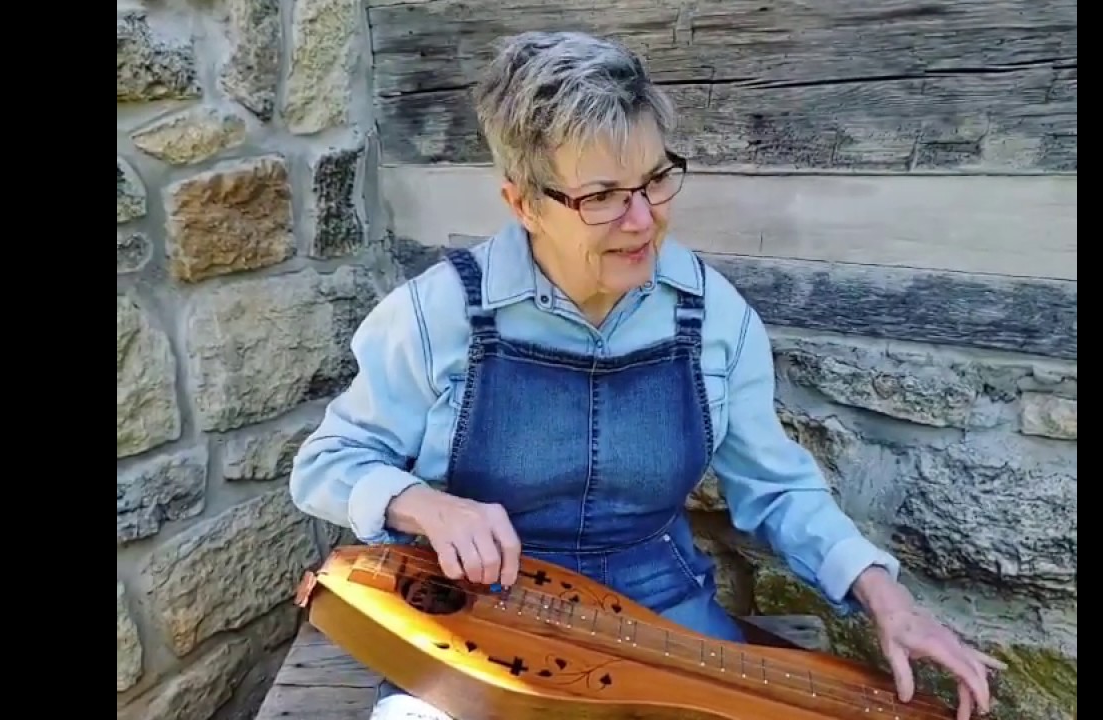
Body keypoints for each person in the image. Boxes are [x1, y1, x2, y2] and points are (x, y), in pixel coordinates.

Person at [289, 29, 1004, 720]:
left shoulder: (711, 317)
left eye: (655, 181)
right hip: (485, 622)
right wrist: (423, 505)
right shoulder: (436, 315)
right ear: (523, 204)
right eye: (601, 196)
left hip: (661, 618)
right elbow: (325, 464)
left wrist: (887, 599)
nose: (642, 221)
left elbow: (780, 489)